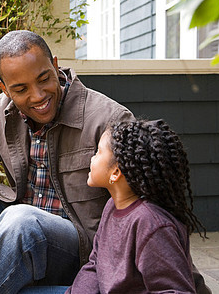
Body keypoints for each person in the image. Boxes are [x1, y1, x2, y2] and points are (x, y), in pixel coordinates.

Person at [0, 30, 210, 294]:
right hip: (23, 243)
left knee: (21, 221)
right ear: (4, 88)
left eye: (44, 78)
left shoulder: (108, 120)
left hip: (84, 255)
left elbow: (155, 212)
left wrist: (186, 282)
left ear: (55, 65)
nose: (38, 95)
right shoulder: (0, 115)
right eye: (21, 89)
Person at [65, 119, 208, 293]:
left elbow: (175, 290)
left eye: (98, 152)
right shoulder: (112, 206)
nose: (91, 158)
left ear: (116, 172)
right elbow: (95, 265)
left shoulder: (150, 224)